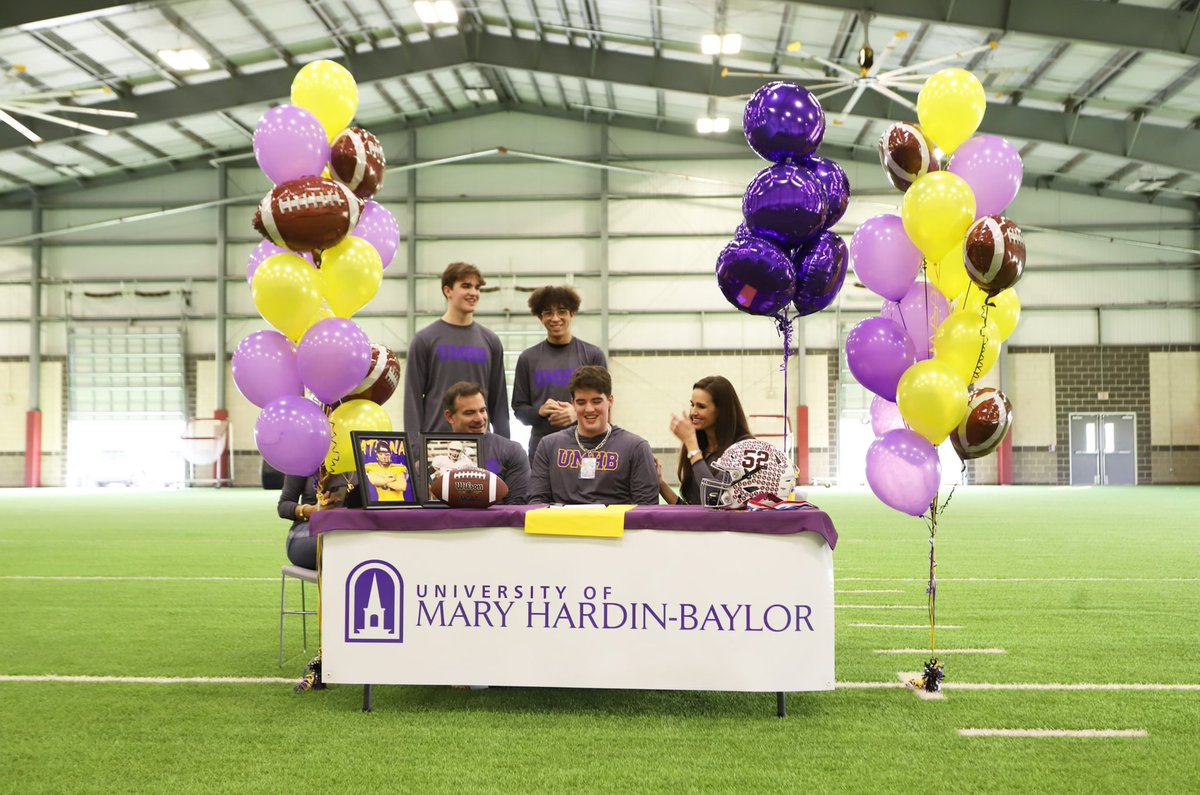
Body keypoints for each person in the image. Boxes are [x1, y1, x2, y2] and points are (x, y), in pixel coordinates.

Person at [404, 262, 510, 446]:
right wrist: (414, 451)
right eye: (466, 286)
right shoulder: (424, 340)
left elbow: (499, 401)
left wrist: (505, 448)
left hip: (480, 444)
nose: (474, 293)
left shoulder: (491, 341)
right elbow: (412, 400)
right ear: (448, 290)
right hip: (436, 444)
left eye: (477, 288)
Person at [528, 365, 658, 505]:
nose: (589, 409)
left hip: (613, 526)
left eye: (596, 401)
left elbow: (646, 509)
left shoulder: (636, 448)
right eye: (581, 402)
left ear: (610, 401)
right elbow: (536, 503)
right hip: (562, 526)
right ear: (573, 404)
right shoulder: (548, 446)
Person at [512, 285, 607, 460]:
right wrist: (539, 411)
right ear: (541, 317)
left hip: (586, 448)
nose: (555, 318)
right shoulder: (528, 358)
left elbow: (605, 406)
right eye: (548, 312)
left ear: (572, 313)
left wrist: (577, 413)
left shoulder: (593, 355)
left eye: (562, 311)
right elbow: (519, 410)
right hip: (542, 451)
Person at [657, 375, 754, 505]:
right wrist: (660, 484)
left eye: (701, 406)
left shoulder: (744, 447)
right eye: (692, 405)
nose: (693, 412)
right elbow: (694, 511)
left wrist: (691, 444)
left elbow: (714, 499)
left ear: (721, 411)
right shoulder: (700, 447)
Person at [440, 381, 530, 504]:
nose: (479, 419)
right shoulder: (431, 448)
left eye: (482, 410)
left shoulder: (512, 451)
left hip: (497, 523)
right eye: (469, 413)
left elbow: (518, 506)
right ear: (450, 416)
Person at [278, 474, 318, 569]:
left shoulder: (358, 461)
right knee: (335, 544)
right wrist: (310, 511)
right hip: (308, 530)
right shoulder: (304, 461)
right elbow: (283, 506)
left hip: (351, 528)